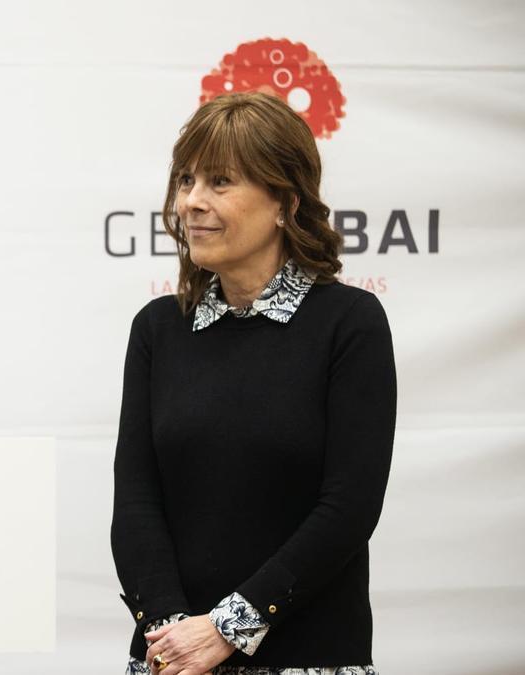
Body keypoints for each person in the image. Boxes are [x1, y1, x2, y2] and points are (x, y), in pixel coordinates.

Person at [111, 92, 396, 675]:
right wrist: (173, 636)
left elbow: (349, 507)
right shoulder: (158, 329)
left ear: (284, 203)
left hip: (307, 656)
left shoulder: (349, 323)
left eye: (220, 182)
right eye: (186, 180)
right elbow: (135, 502)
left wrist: (226, 630)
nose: (192, 202)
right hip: (173, 660)